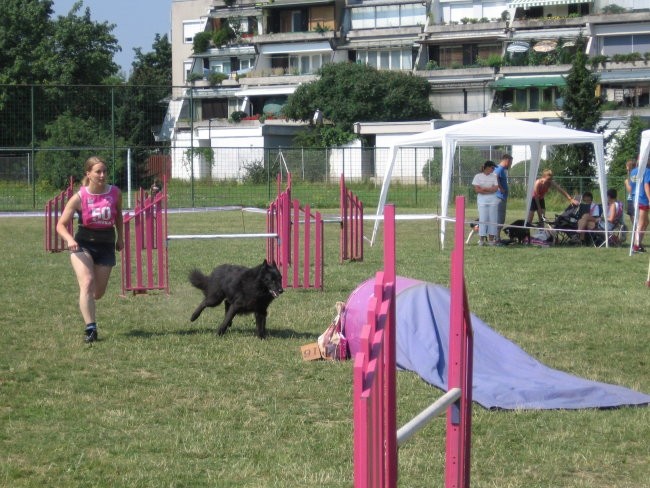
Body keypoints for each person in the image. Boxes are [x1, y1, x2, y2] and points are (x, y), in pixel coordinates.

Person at [56, 156, 124, 343]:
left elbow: (119, 216)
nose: (102, 175)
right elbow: (60, 225)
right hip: (82, 244)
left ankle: (87, 301)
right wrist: (69, 239)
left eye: (104, 171)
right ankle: (91, 329)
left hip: (106, 245)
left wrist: (121, 238)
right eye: (98, 172)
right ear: (89, 174)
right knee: (86, 282)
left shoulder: (115, 193)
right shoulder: (79, 197)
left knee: (98, 293)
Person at [472, 160, 500, 246]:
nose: (493, 169)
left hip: (493, 201)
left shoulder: (494, 176)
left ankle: (491, 240)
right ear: (487, 167)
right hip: (482, 201)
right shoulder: (478, 176)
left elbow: (495, 188)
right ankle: (481, 240)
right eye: (492, 168)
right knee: (482, 219)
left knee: (493, 220)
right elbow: (477, 190)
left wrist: (484, 189)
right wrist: (489, 190)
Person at [631, 161, 650, 253]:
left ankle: (639, 244)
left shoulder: (633, 171)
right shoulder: (647, 171)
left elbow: (632, 186)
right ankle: (635, 246)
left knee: (645, 222)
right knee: (641, 224)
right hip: (643, 199)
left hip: (635, 198)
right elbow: (646, 185)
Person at [494, 154, 513, 242]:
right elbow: (495, 177)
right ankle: (496, 237)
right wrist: (500, 188)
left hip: (501, 198)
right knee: (500, 218)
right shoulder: (500, 169)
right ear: (507, 160)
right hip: (499, 198)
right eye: (510, 162)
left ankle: (496, 236)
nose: (510, 164)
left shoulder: (501, 169)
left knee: (500, 218)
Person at [624, 159, 637, 226]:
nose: (626, 168)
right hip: (631, 199)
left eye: (627, 166)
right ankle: (636, 230)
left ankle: (636, 230)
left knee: (634, 216)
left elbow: (631, 190)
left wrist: (626, 183)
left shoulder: (634, 175)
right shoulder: (631, 175)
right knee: (632, 216)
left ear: (630, 166)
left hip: (633, 199)